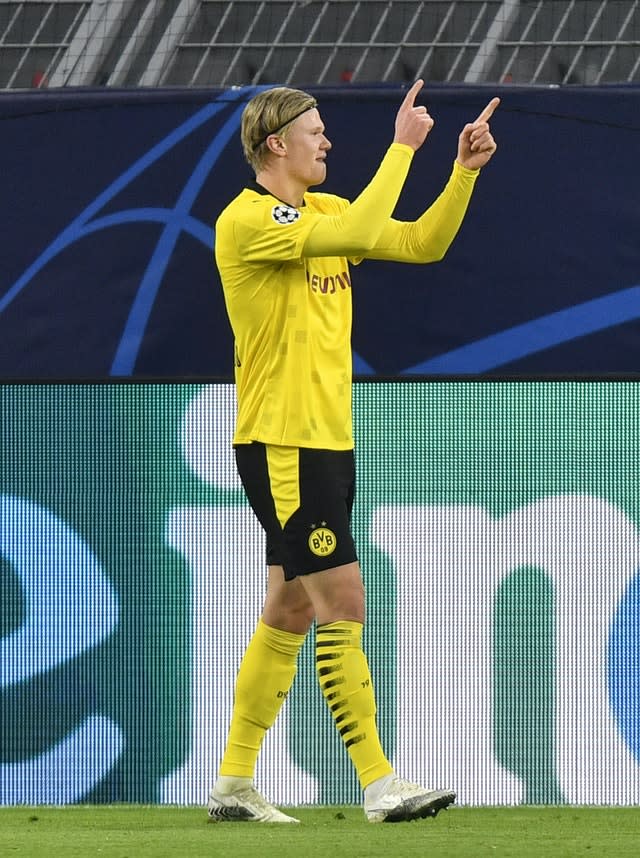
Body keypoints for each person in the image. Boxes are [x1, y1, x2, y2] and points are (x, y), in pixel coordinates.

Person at [209, 80, 499, 824]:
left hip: (327, 438)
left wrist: (460, 174)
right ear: (276, 144)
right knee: (343, 600)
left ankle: (234, 783)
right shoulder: (248, 221)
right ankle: (378, 784)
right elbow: (365, 225)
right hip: (284, 439)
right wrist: (403, 146)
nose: (327, 141)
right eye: (316, 130)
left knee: (290, 609)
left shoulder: (329, 211)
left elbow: (416, 242)